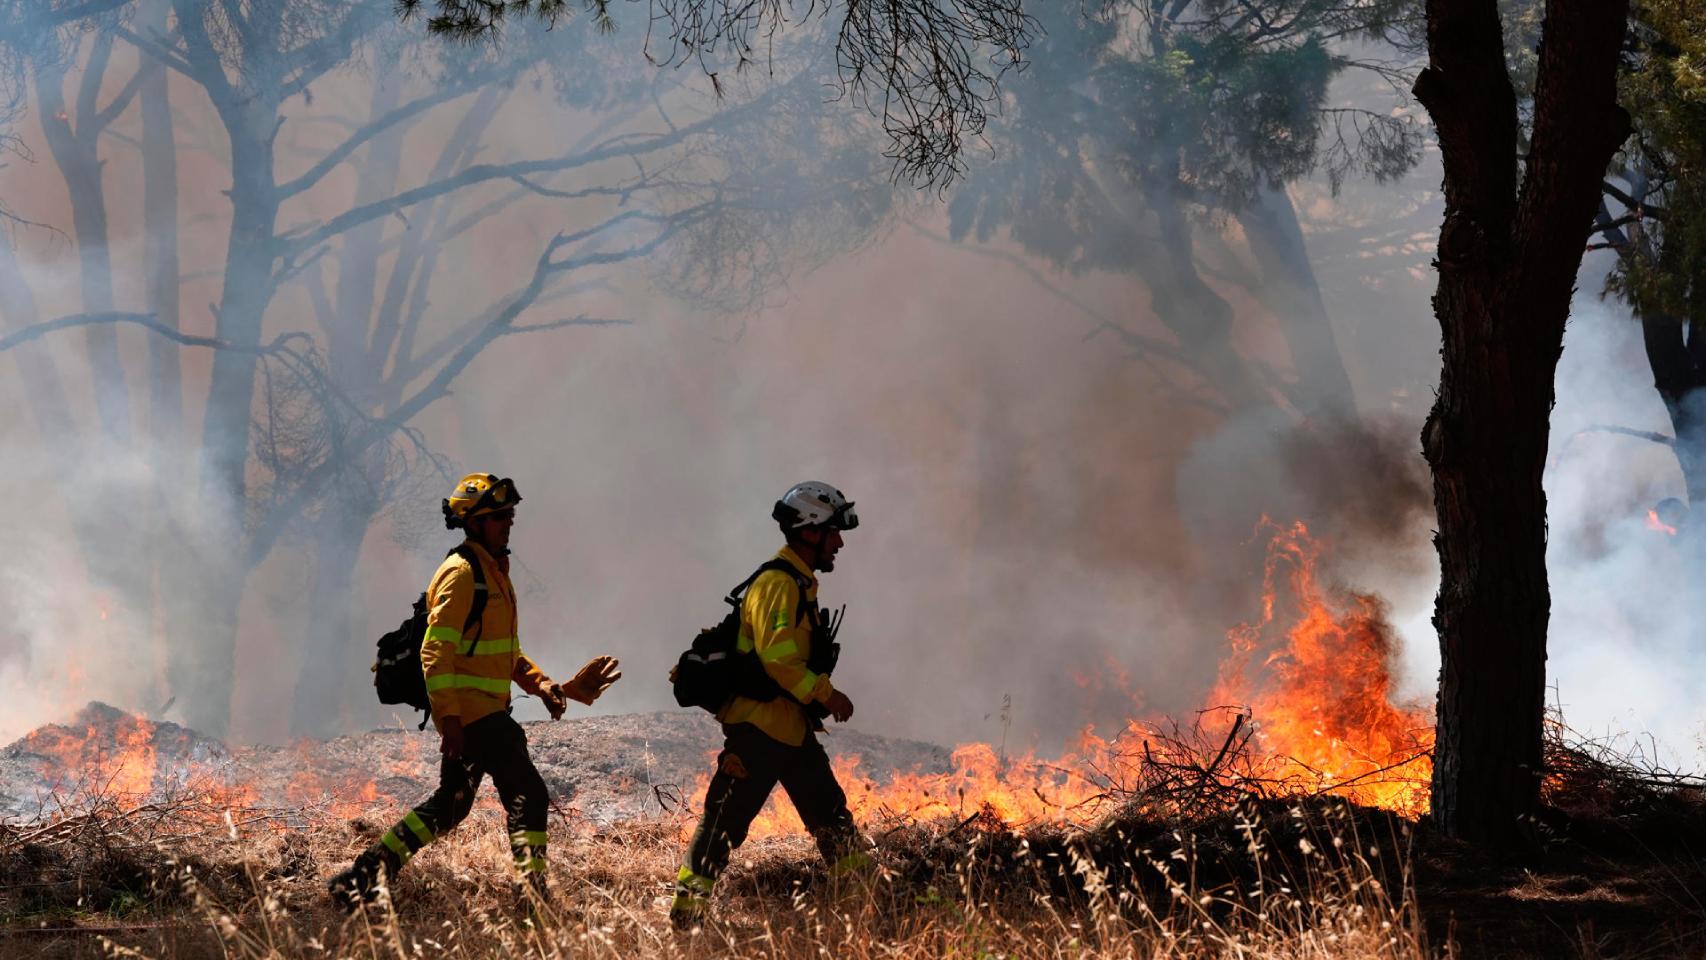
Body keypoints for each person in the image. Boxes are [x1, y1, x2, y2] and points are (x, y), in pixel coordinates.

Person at [327, 473, 622, 910]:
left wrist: (547, 687)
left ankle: (363, 877)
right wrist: (449, 719)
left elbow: (505, 654)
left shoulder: (493, 573)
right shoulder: (462, 574)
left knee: (451, 806)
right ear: (475, 522)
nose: (509, 523)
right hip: (474, 718)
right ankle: (533, 896)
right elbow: (434, 650)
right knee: (530, 795)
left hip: (480, 714)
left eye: (510, 515)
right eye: (499, 516)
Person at [669, 481, 873, 929]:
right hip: (760, 731)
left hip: (789, 730)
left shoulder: (799, 584)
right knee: (723, 823)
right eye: (834, 531)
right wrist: (827, 694)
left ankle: (867, 912)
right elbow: (779, 660)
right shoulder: (779, 585)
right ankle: (685, 921)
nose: (839, 542)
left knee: (832, 819)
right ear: (809, 529)